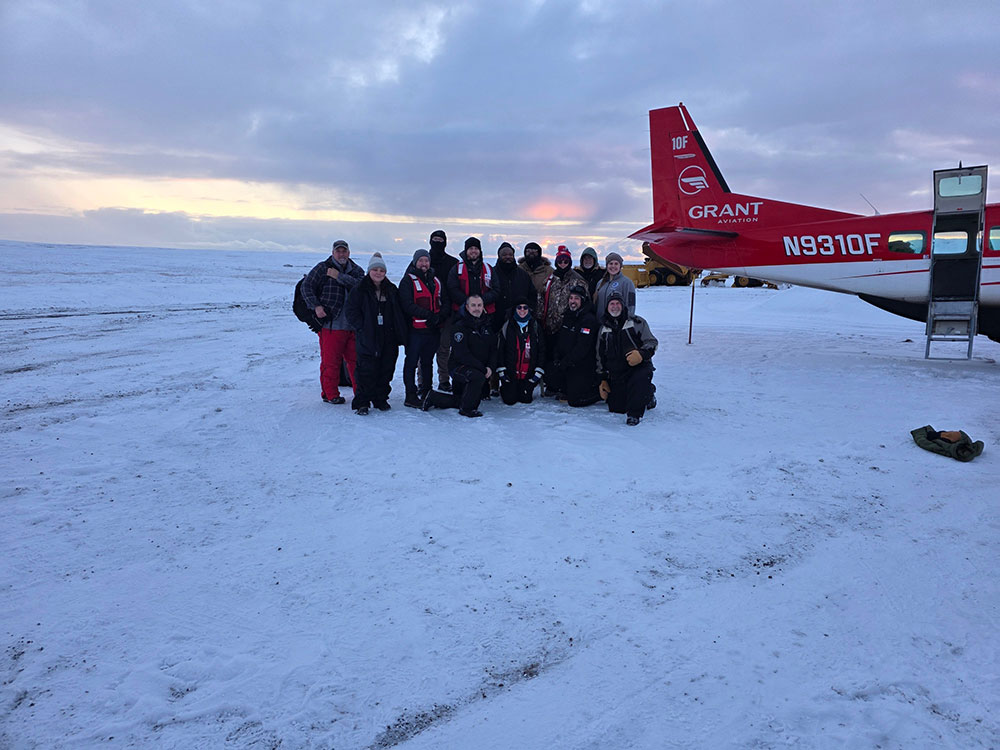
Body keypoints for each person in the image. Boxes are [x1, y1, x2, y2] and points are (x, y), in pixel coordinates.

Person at [299, 239, 365, 404]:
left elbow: (361, 287)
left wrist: (339, 277)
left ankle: (361, 393)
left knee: (357, 362)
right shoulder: (322, 268)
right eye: (338, 251)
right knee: (331, 362)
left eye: (344, 251)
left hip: (353, 325)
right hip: (331, 325)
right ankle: (330, 394)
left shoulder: (356, 270)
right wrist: (316, 306)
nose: (341, 254)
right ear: (333, 252)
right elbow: (306, 286)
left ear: (349, 253)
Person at [345, 253, 408, 415]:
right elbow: (351, 311)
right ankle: (362, 402)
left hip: (389, 336)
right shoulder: (360, 289)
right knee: (366, 369)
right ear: (369, 271)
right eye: (375, 269)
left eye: (381, 270)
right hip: (368, 336)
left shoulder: (391, 289)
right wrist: (362, 327)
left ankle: (380, 398)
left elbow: (399, 311)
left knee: (386, 368)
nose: (378, 273)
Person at [424, 294, 496, 417]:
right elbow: (462, 354)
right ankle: (467, 409)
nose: (476, 308)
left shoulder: (487, 324)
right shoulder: (459, 326)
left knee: (475, 395)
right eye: (473, 305)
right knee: (476, 382)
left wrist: (490, 367)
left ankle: (435, 397)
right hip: (459, 367)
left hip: (478, 368)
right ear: (467, 307)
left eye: (479, 305)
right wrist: (483, 369)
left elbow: (493, 349)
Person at [596, 292, 657, 426]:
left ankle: (635, 413)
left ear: (623, 306)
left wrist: (642, 354)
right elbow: (600, 356)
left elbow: (652, 342)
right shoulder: (603, 329)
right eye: (612, 304)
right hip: (618, 372)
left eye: (618, 303)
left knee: (639, 382)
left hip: (638, 368)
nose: (615, 307)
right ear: (607, 307)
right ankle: (646, 392)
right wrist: (603, 379)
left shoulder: (637, 322)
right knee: (617, 408)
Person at [398, 248, 446, 408]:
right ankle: (410, 395)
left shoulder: (436, 281)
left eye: (426, 261)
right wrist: (428, 315)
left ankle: (426, 391)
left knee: (427, 362)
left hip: (433, 330)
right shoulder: (407, 281)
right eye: (421, 261)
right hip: (415, 330)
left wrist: (440, 316)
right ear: (415, 262)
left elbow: (444, 301)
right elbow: (407, 304)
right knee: (411, 362)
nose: (424, 264)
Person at [539, 245, 585, 396]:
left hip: (568, 327)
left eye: (566, 260)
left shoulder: (578, 280)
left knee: (566, 357)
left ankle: (565, 385)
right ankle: (552, 384)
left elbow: (585, 302)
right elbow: (541, 297)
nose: (563, 263)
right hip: (550, 326)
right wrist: (540, 318)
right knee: (551, 356)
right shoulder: (550, 279)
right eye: (560, 260)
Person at [552, 285, 600, 407]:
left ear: (582, 301)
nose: (573, 301)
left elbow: (582, 348)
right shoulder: (568, 315)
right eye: (571, 298)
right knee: (550, 376)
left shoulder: (588, 320)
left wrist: (566, 362)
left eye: (576, 299)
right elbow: (561, 339)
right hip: (567, 362)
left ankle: (599, 393)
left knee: (575, 401)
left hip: (582, 365)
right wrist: (557, 358)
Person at [495, 299, 545, 405]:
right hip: (511, 374)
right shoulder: (507, 326)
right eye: (519, 307)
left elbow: (541, 350)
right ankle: (506, 388)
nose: (522, 310)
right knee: (510, 400)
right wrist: (502, 371)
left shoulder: (535, 326)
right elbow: (500, 350)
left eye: (525, 307)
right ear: (515, 309)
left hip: (528, 375)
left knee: (525, 399)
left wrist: (537, 373)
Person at [428, 229, 458, 392]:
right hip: (424, 315)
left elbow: (455, 287)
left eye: (441, 240)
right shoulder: (422, 260)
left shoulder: (452, 262)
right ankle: (423, 382)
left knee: (444, 349)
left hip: (447, 313)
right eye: (435, 239)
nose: (438, 242)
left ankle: (444, 380)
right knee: (424, 350)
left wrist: (446, 311)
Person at [447, 237, 497, 321]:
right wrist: (469, 302)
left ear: (480, 251)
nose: (473, 251)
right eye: (470, 248)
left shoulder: (488, 268)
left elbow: (496, 290)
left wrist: (480, 301)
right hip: (461, 314)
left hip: (485, 314)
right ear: (466, 251)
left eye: (476, 248)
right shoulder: (457, 268)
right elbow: (452, 289)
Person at [491, 241, 536, 328]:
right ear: (499, 256)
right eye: (504, 255)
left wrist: (529, 311)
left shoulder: (523, 275)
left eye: (510, 254)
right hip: (496, 320)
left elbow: (532, 295)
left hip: (519, 320)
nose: (508, 257)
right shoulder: (492, 274)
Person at [594, 251, 637, 318]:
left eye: (616, 264)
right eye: (611, 263)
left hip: (617, 324)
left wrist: (628, 320)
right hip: (600, 324)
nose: (613, 266)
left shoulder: (627, 283)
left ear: (620, 266)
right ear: (607, 266)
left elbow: (631, 306)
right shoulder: (600, 283)